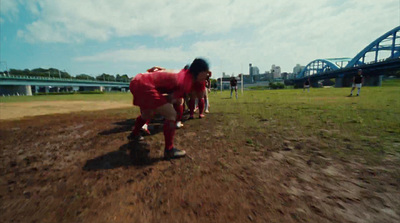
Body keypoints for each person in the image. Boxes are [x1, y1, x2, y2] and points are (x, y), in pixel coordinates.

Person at [128, 58, 210, 159]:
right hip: (144, 85)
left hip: (137, 81)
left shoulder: (184, 74)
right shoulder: (186, 81)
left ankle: (135, 134)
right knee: (171, 115)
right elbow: (171, 99)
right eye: (205, 72)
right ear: (200, 72)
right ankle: (169, 150)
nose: (206, 76)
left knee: (147, 114)